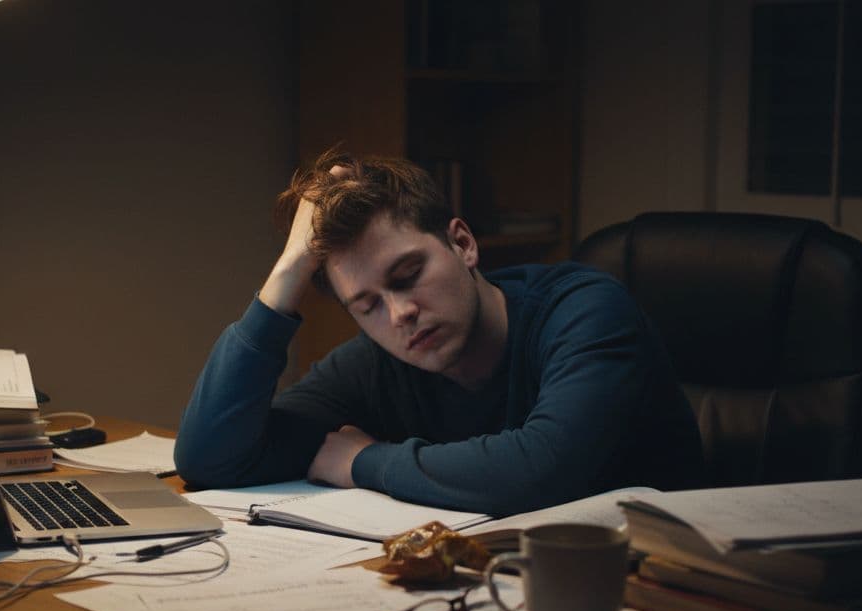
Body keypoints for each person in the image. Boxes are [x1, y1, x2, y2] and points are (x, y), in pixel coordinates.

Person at [174, 148, 703, 516]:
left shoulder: (585, 309)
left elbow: (544, 469)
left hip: (669, 595)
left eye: (408, 276)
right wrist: (288, 273)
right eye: (367, 305)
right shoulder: (379, 361)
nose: (399, 313)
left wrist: (361, 461)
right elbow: (209, 459)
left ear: (463, 244)